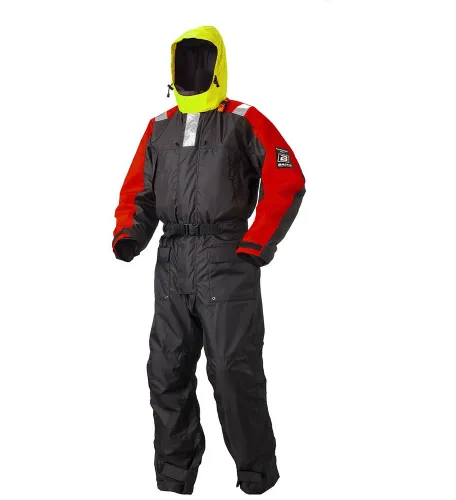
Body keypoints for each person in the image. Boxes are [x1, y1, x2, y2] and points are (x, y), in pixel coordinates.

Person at [112, 25, 306, 494]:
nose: (191, 68)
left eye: (201, 59)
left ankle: (256, 472)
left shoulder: (242, 119)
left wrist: (259, 242)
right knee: (167, 371)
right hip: (172, 260)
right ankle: (175, 473)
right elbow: (139, 189)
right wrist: (129, 233)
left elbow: (287, 178)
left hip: (227, 257)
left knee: (233, 372)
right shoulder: (160, 127)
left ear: (217, 64)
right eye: (184, 59)